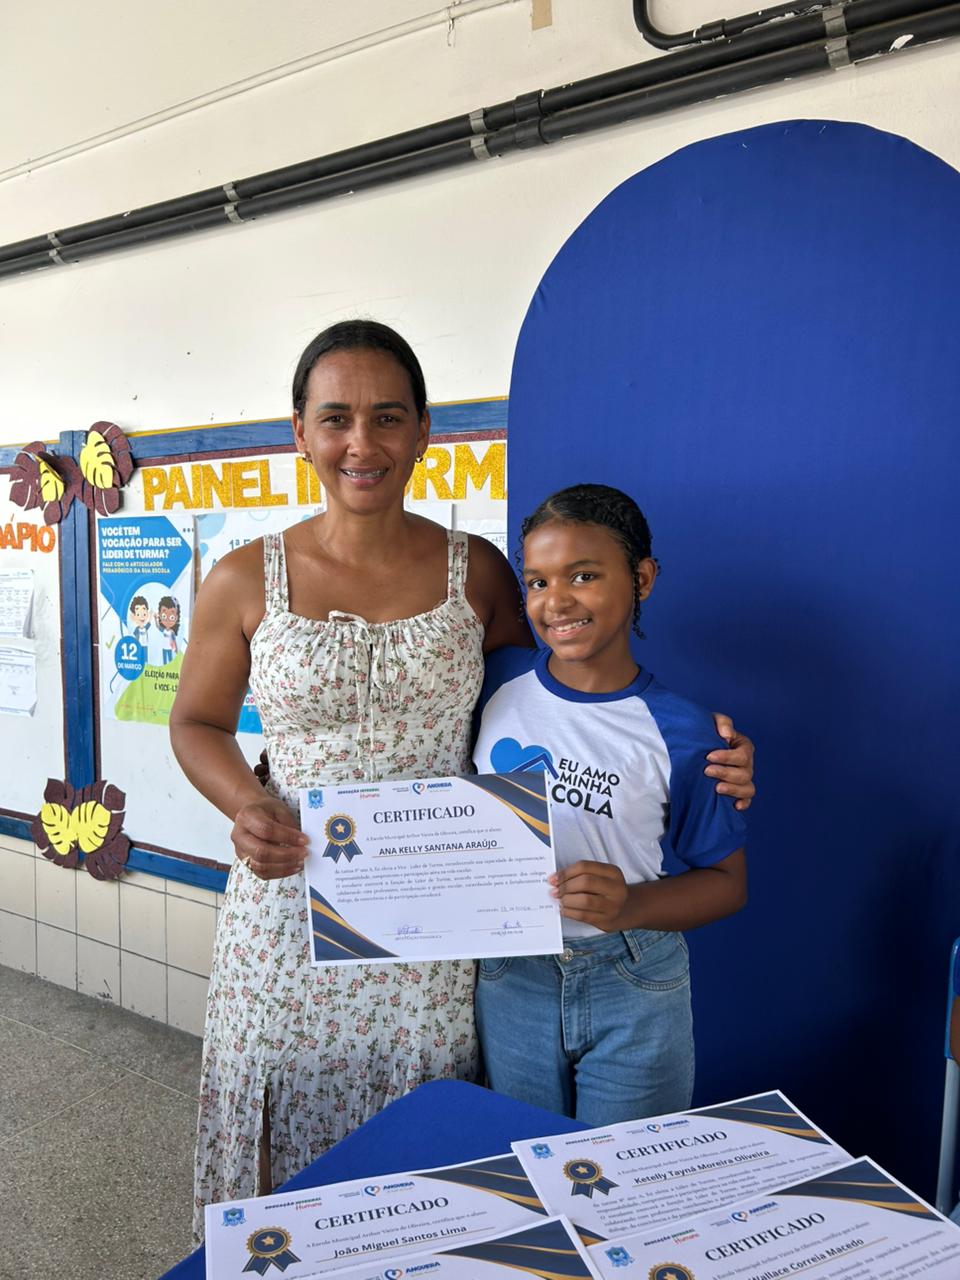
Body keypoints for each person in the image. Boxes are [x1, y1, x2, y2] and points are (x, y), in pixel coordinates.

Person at [169, 321, 755, 1240]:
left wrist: (707, 745)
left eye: (387, 416)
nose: (361, 442)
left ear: (422, 431)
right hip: (288, 910)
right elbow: (195, 722)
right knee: (285, 1127)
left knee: (434, 1139)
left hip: (442, 913)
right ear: (300, 433)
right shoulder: (245, 577)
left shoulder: (475, 570)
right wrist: (247, 804)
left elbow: (560, 692)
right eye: (336, 418)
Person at [473, 484, 748, 1125]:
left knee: (625, 1174)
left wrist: (631, 905)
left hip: (633, 977)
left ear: (642, 579)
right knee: (524, 1161)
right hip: (510, 976)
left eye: (584, 575)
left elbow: (727, 883)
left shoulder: (685, 731)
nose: (556, 601)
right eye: (537, 582)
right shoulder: (492, 681)